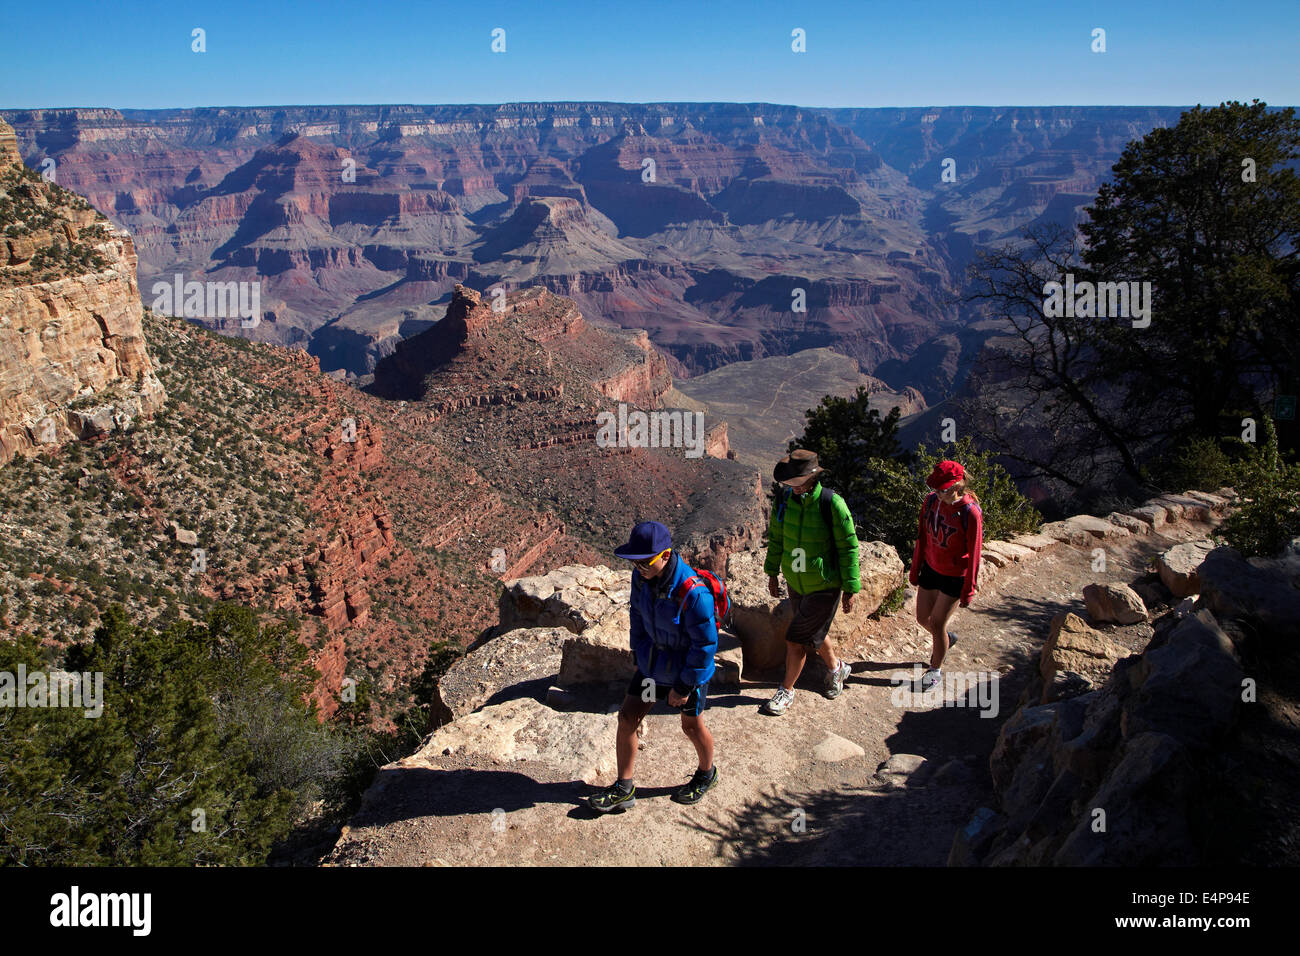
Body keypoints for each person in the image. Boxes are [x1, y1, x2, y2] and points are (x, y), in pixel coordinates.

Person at [588, 521, 719, 813]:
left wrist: (683, 686)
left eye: (646, 562)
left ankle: (707, 774)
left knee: (691, 726)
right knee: (627, 718)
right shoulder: (641, 579)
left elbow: (705, 647)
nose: (641, 569)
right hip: (653, 666)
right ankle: (624, 787)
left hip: (687, 671)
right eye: (636, 563)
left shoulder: (693, 594)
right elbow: (637, 613)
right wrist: (639, 653)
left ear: (666, 554)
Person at [760, 450, 861, 716]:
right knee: (815, 634)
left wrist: (851, 587)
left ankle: (786, 691)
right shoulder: (784, 501)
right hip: (796, 582)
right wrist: (772, 572)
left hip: (824, 586)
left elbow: (849, 547)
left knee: (796, 641)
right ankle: (837, 669)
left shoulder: (831, 503)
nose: (790, 487)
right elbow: (778, 539)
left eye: (794, 481)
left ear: (810, 479)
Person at [909, 460, 983, 692]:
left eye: (942, 489)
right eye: (936, 488)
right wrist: (915, 568)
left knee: (937, 623)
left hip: (954, 576)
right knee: (923, 619)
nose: (937, 493)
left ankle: (934, 671)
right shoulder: (931, 502)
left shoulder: (969, 513)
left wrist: (968, 589)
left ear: (956, 486)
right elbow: (922, 536)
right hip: (931, 568)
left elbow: (975, 552)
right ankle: (946, 639)